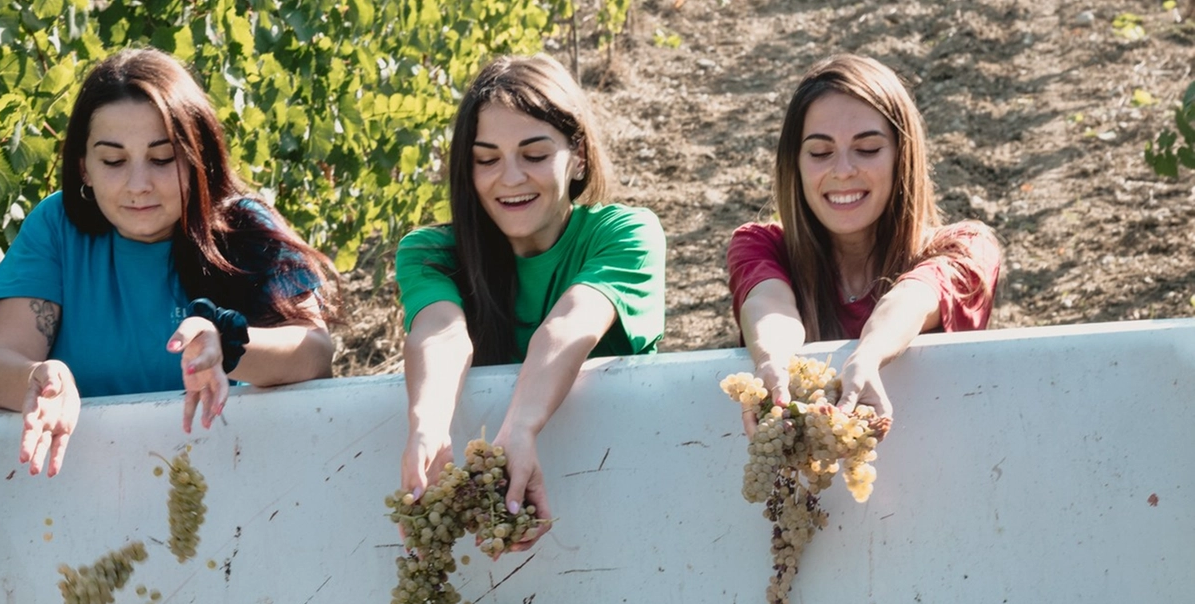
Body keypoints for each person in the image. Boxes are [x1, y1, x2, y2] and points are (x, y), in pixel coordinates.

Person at [0, 47, 340, 477]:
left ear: (197, 156)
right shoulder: (57, 228)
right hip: (82, 487)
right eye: (113, 161)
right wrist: (37, 378)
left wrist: (230, 343)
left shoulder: (243, 228)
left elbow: (315, 352)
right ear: (84, 168)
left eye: (163, 158)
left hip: (234, 481)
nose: (139, 185)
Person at [396, 53, 666, 553]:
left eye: (535, 155)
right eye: (487, 159)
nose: (511, 177)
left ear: (578, 155)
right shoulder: (428, 252)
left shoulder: (626, 234)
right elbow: (441, 331)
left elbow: (570, 322)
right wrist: (428, 425)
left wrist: (520, 427)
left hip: (623, 513)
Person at [726, 54, 1001, 436]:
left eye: (868, 149)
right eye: (821, 153)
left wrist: (868, 356)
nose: (843, 171)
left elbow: (912, 297)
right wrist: (771, 358)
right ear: (796, 164)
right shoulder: (760, 244)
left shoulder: (967, 248)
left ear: (901, 157)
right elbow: (769, 306)